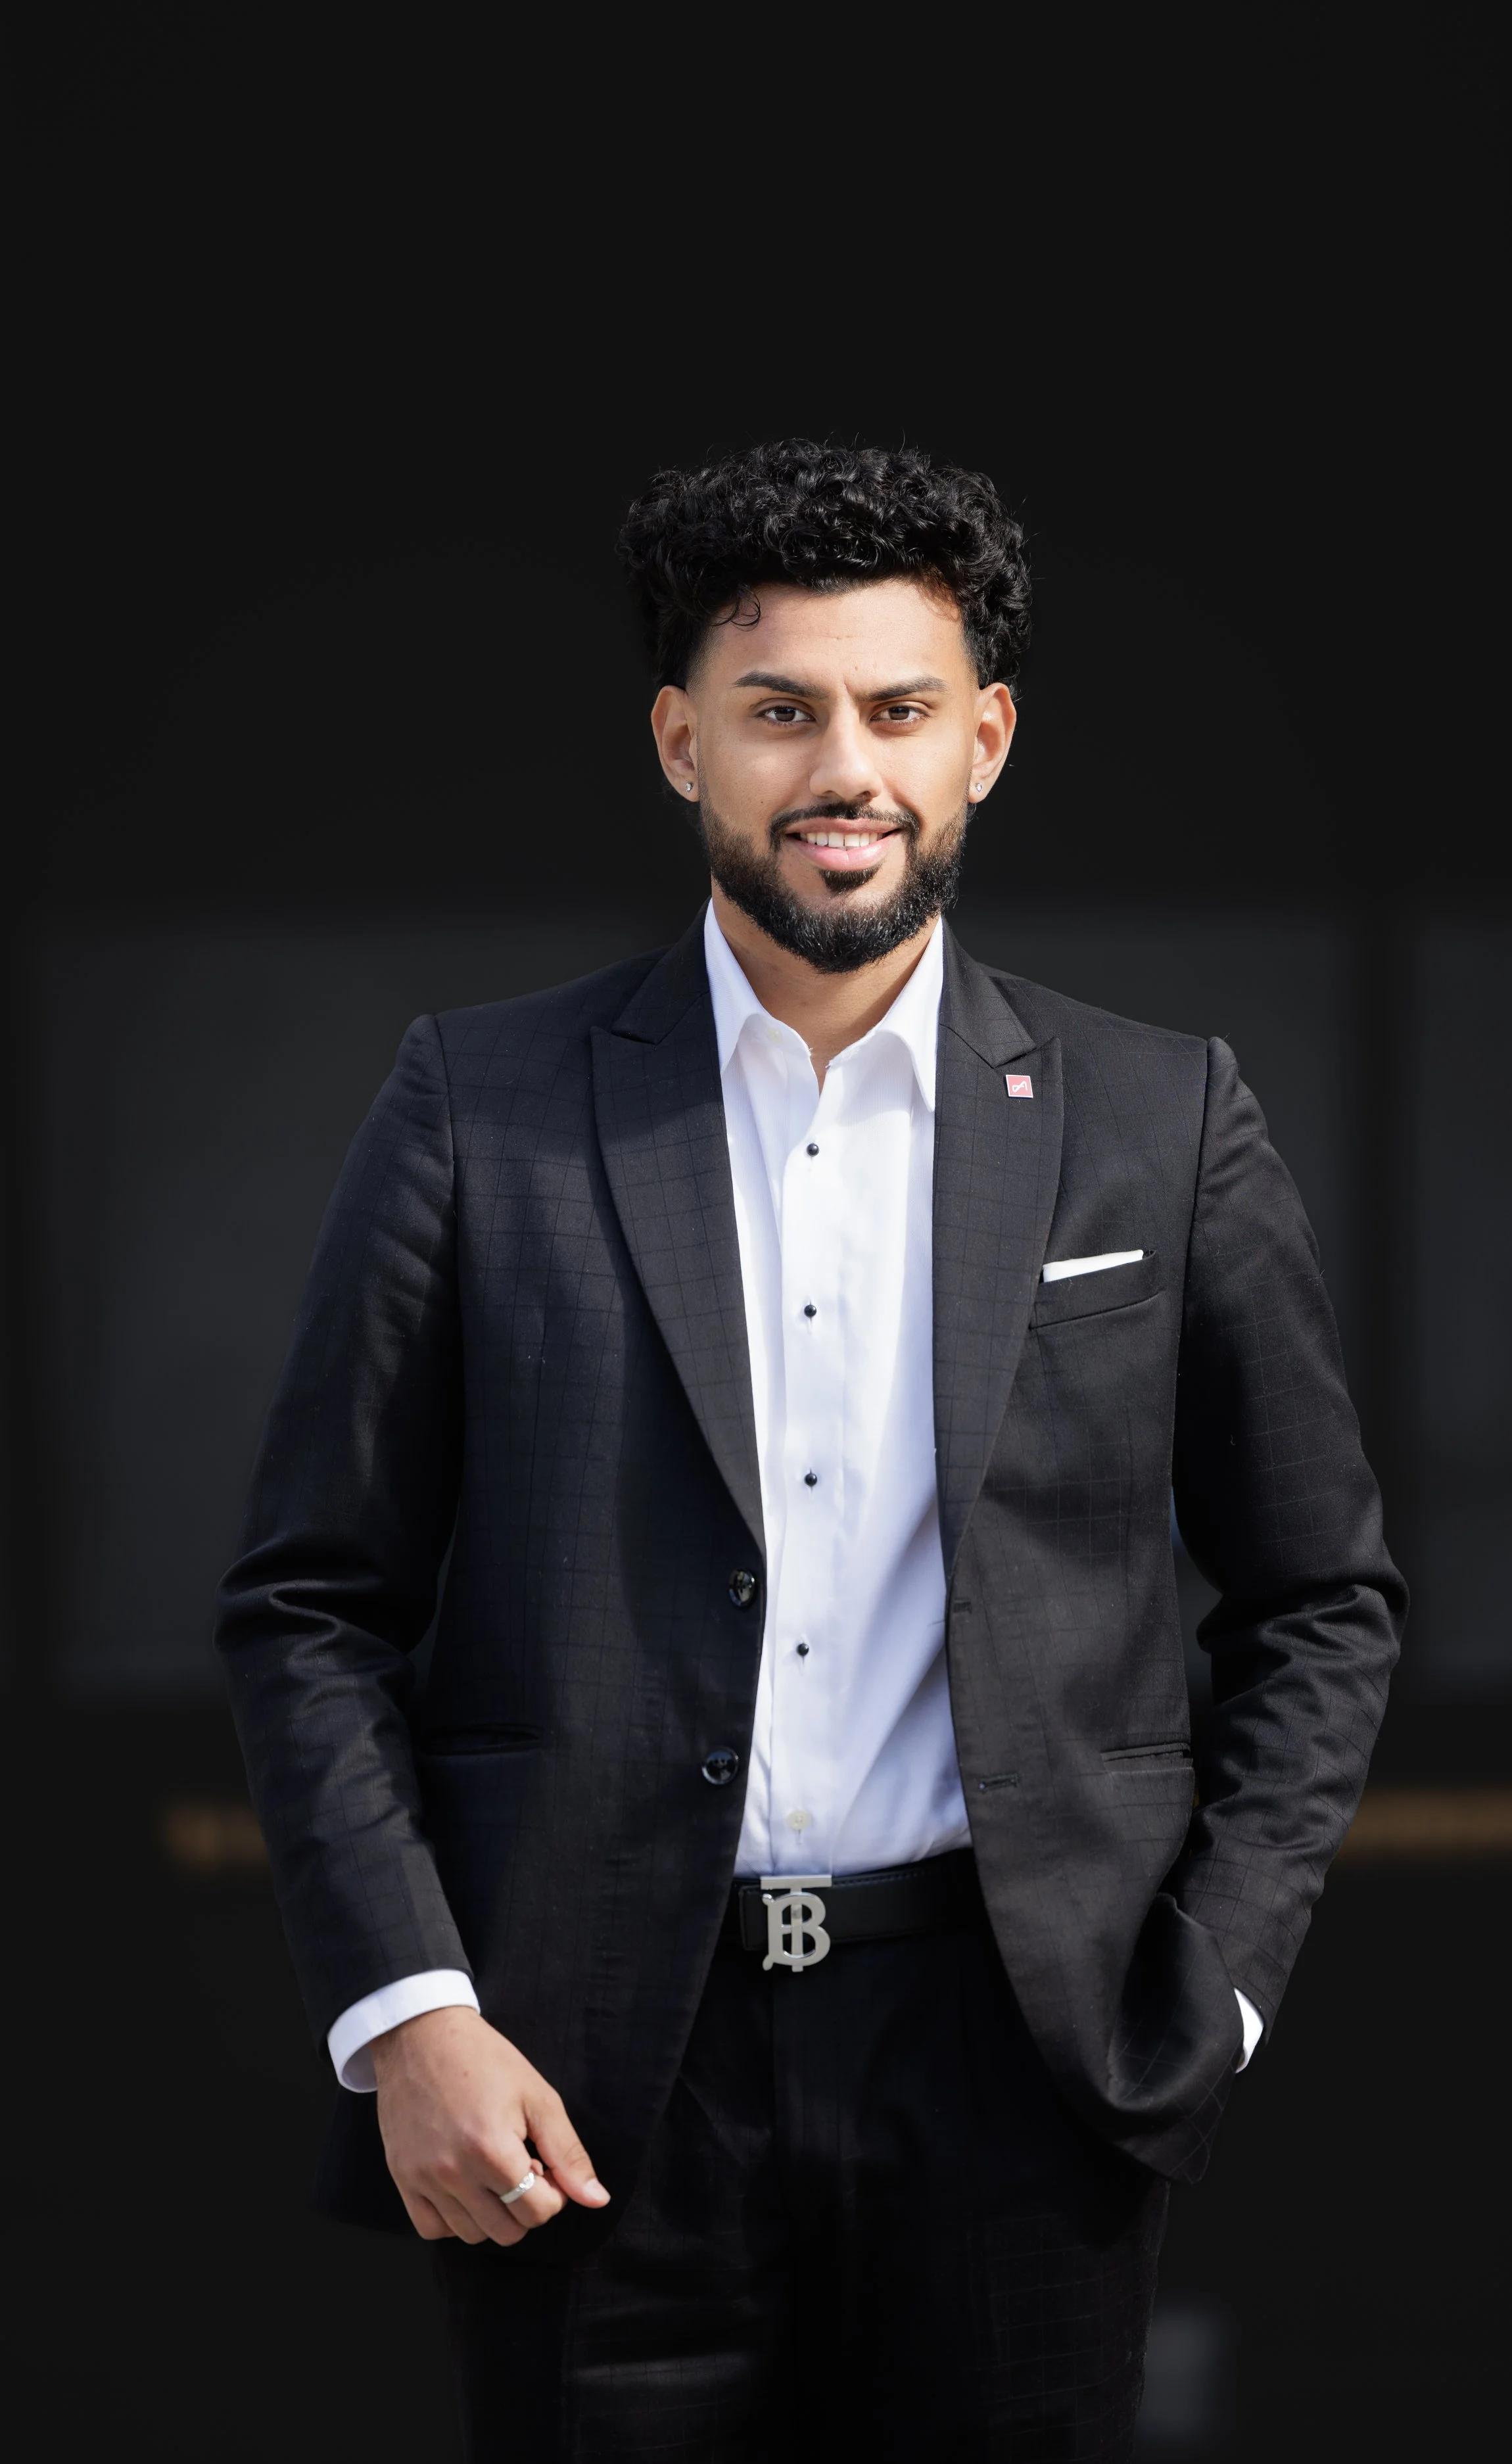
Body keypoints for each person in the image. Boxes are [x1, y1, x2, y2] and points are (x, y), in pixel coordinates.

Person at [216, 438, 1404, 2461]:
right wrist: (408, 2009)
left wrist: (1206, 1993)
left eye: (897, 709)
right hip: (587, 2082)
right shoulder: (473, 1107)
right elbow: (308, 1603)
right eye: (779, 710)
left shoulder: (1157, 1118)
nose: (840, 763)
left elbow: (1320, 1599)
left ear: (985, 742)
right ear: (681, 741)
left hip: (1018, 2062)